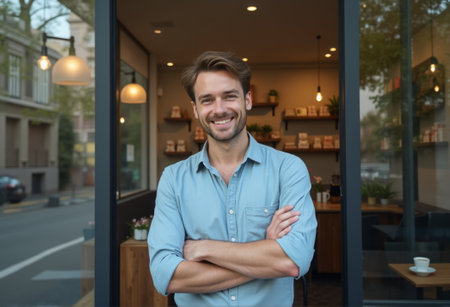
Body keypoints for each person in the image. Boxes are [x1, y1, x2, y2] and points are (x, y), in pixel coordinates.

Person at [148, 51, 317, 307]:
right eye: (207, 100)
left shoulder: (288, 169)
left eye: (229, 96)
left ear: (247, 100)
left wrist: (203, 248)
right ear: (195, 109)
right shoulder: (173, 179)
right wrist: (265, 254)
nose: (219, 109)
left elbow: (293, 261)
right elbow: (165, 276)